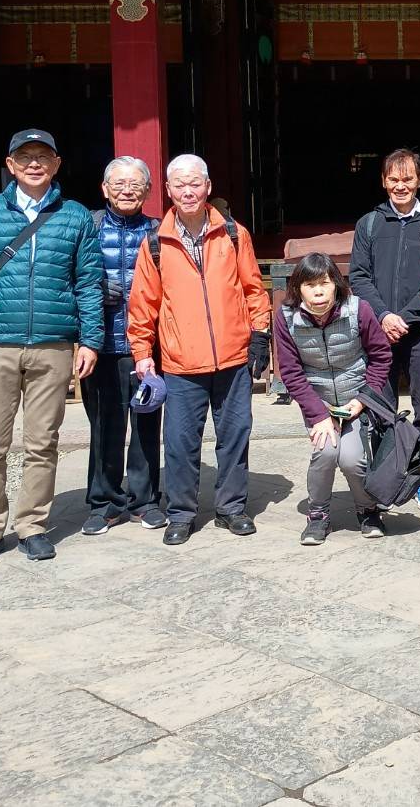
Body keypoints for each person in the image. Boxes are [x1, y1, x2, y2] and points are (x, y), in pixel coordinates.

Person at [0, 128, 103, 567]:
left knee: (43, 441)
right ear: (11, 165)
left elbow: (88, 284)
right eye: (25, 156)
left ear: (56, 164)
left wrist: (89, 339)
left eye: (43, 156)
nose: (34, 163)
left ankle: (33, 525)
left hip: (54, 344)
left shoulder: (74, 217)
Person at [126, 154, 271, 546]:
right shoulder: (155, 243)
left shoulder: (234, 234)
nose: (187, 191)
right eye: (179, 184)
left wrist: (261, 333)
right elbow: (143, 305)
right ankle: (181, 512)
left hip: (233, 358)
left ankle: (232, 508)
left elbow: (254, 290)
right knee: (179, 443)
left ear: (208, 187)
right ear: (168, 191)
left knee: (236, 436)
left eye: (195, 183)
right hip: (179, 362)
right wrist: (142, 353)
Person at [349, 148, 420, 512]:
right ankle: (387, 478)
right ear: (384, 181)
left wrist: (404, 316)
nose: (401, 186)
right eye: (394, 179)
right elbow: (358, 276)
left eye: (408, 179)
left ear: (419, 180)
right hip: (379, 333)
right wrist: (384, 315)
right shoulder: (370, 224)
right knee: (381, 409)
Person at [274, 253, 394, 545]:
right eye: (310, 284)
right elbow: (290, 372)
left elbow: (381, 357)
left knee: (352, 459)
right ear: (298, 288)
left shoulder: (358, 310)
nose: (318, 292)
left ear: (336, 285)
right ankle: (317, 515)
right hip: (319, 400)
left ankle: (367, 509)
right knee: (326, 452)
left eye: (324, 284)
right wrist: (318, 413)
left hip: (354, 399)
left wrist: (363, 400)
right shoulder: (286, 317)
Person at [81, 156, 166, 535]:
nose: (127, 190)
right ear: (104, 189)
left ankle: (145, 500)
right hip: (101, 344)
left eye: (135, 184)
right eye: (118, 184)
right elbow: (66, 277)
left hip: (147, 346)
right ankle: (105, 501)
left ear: (148, 191)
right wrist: (95, 289)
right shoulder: (88, 228)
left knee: (147, 423)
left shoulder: (160, 231)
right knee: (104, 426)